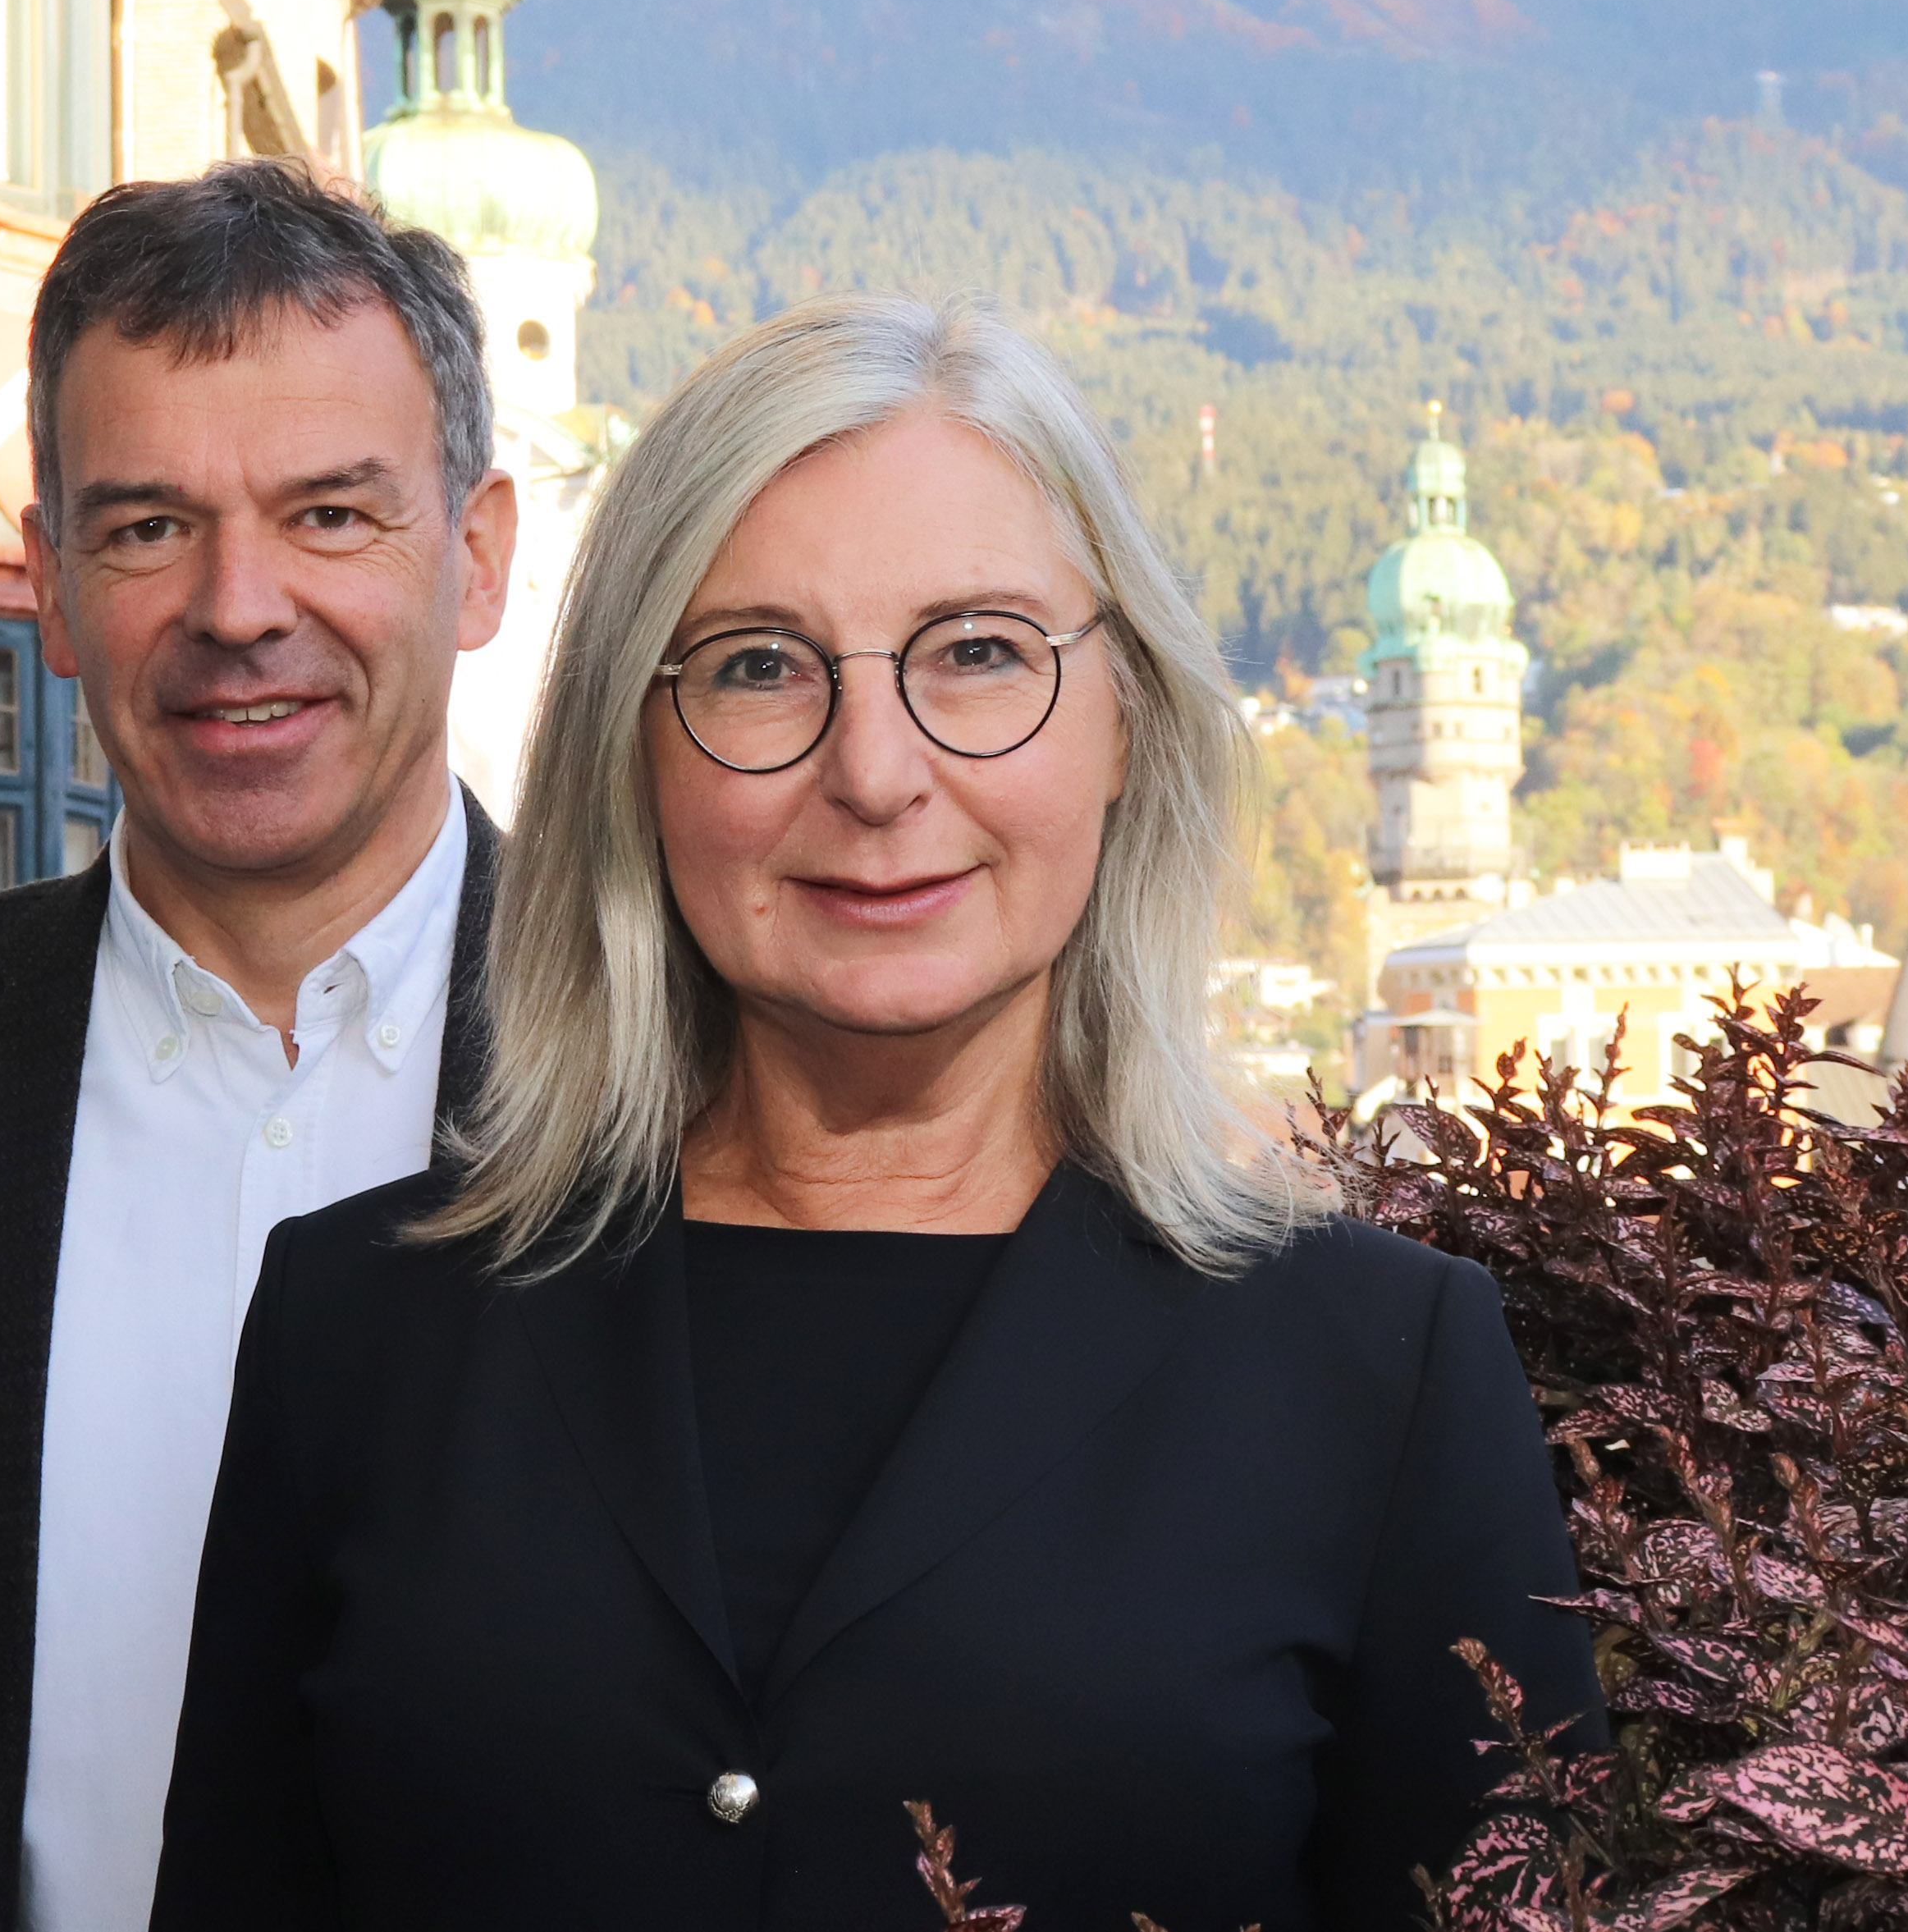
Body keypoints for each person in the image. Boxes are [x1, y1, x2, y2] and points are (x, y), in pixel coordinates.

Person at [151, 295, 1603, 1931]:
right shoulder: (361, 1333)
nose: (876, 771)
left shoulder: (1377, 1373)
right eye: (762, 668)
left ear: (1127, 716)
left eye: (979, 652)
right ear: (634, 755)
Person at [0, 160, 519, 1932]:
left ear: (479, 554)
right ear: (46, 585)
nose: (237, 605)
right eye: (147, 527)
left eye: (330, 517)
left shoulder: (688, 1075)